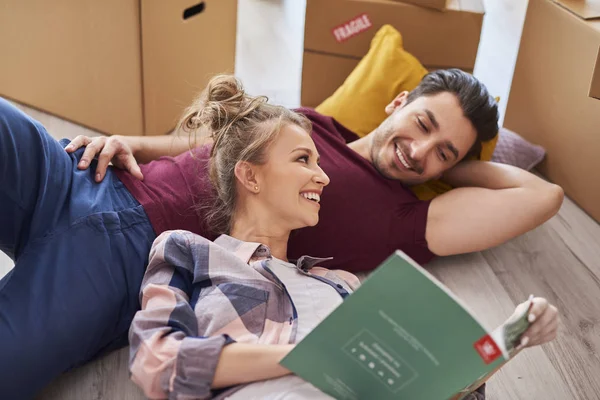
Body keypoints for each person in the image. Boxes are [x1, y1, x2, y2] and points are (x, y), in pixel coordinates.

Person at [0, 70, 562, 398]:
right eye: (422, 124)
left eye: (445, 152)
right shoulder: (313, 121)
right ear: (399, 103)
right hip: (80, 175)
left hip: (125, 255)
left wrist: (448, 165)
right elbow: (223, 145)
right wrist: (134, 143)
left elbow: (542, 197)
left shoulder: (402, 217)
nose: (419, 150)